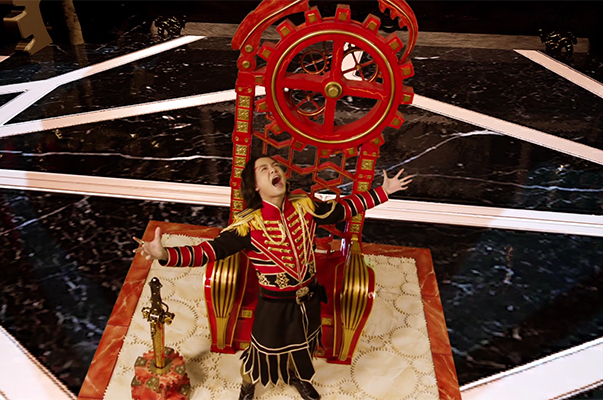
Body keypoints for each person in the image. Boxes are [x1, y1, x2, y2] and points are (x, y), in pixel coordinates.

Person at [134, 156, 412, 400]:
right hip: (274, 305)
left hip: (309, 297)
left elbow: (342, 210)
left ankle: (297, 378)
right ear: (255, 186)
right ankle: (247, 387)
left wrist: (383, 192)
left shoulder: (305, 206)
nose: (273, 170)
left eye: (275, 166)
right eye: (264, 169)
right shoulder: (248, 225)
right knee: (260, 356)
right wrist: (165, 254)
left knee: (304, 346)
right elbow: (209, 251)